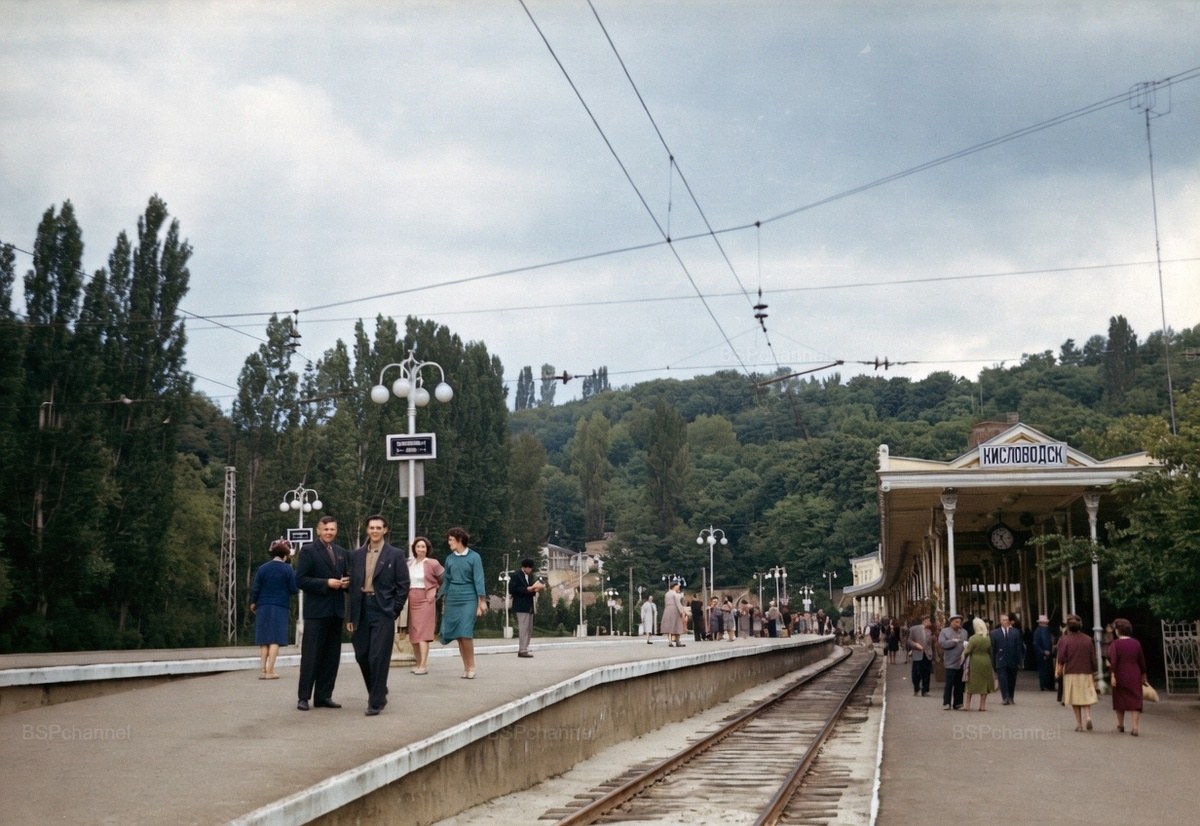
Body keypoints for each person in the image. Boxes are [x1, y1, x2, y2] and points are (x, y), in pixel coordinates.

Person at [347, 514, 409, 716]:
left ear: (385, 530)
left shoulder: (395, 554)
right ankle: (379, 690)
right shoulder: (356, 555)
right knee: (362, 654)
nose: (375, 531)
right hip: (361, 609)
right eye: (371, 527)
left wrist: (394, 609)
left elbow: (403, 585)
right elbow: (353, 587)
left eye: (378, 527)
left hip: (383, 610)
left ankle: (375, 701)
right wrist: (350, 616)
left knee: (378, 656)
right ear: (367, 530)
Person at [295, 516, 349, 710]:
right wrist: (326, 583)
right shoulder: (308, 551)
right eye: (326, 529)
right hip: (316, 612)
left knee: (331, 657)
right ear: (318, 530)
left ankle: (323, 696)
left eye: (332, 529)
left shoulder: (341, 552)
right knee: (311, 656)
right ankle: (303, 697)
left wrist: (346, 583)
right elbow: (300, 580)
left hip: (336, 612)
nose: (329, 532)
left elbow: (347, 576)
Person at [439, 526, 487, 678]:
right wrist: (439, 597)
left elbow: (479, 579)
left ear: (459, 540)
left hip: (469, 598)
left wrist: (482, 601)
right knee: (458, 635)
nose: (449, 542)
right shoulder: (450, 559)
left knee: (465, 632)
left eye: (451, 539)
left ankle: (472, 665)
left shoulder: (474, 557)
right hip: (453, 597)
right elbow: (446, 579)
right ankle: (466, 667)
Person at [250, 539, 298, 681]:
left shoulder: (263, 568)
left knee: (264, 639)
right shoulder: (288, 569)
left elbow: (256, 587)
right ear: (285, 555)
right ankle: (271, 671)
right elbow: (293, 589)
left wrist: (254, 602)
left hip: (263, 605)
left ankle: (263, 670)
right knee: (275, 638)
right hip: (280, 606)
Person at [407, 536, 444, 674]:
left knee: (423, 632)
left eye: (423, 547)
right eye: (418, 547)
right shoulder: (409, 564)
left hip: (426, 599)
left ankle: (423, 665)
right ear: (414, 548)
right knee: (414, 633)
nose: (420, 549)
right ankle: (418, 663)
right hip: (411, 598)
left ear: (427, 549)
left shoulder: (432, 563)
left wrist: (435, 591)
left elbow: (444, 578)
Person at [1056, 614, 1098, 732]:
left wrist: (1059, 670)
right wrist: (1094, 671)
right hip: (1086, 671)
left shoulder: (1065, 640)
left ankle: (1079, 725)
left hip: (1071, 671)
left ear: (1068, 627)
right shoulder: (1088, 639)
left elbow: (1062, 657)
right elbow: (1093, 658)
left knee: (1075, 699)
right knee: (1085, 696)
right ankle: (1088, 716)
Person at [1108, 618, 1147, 736]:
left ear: (1118, 630)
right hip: (1134, 672)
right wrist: (1143, 674)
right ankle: (1135, 727)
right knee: (1135, 699)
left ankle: (1121, 725)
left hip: (1120, 672)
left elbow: (1113, 661)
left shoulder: (1115, 644)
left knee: (1119, 699)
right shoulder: (1136, 643)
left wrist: (1113, 675)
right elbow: (1142, 660)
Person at [508, 558, 544, 658]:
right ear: (526, 567)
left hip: (529, 605)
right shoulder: (516, 575)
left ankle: (526, 647)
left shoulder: (528, 577)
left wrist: (536, 589)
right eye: (530, 568)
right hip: (521, 605)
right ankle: (522, 649)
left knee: (529, 628)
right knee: (523, 628)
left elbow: (531, 589)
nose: (531, 570)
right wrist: (527, 589)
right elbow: (512, 590)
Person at [990, 612, 1025, 705]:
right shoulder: (994, 633)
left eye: (1007, 620)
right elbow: (993, 649)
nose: (1005, 622)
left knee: (1012, 680)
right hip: (1000, 660)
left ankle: (1011, 697)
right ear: (1000, 621)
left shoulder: (1015, 632)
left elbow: (1019, 647)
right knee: (1002, 679)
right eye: (1003, 620)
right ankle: (1005, 697)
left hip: (1012, 659)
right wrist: (993, 662)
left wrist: (1020, 660)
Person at [963, 617, 994, 711]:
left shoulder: (973, 638)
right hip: (986, 660)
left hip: (975, 661)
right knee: (984, 683)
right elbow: (990, 651)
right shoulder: (987, 638)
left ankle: (967, 705)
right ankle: (982, 706)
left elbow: (967, 651)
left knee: (971, 682)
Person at [939, 613, 969, 710]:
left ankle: (958, 703)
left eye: (960, 622)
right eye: (956, 622)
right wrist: (953, 641)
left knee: (960, 684)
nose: (958, 624)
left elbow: (967, 644)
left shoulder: (964, 632)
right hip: (950, 662)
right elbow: (942, 643)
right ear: (951, 622)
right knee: (949, 684)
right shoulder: (944, 632)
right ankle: (947, 702)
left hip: (962, 662)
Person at [907, 617, 933, 696]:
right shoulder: (914, 629)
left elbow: (930, 644)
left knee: (926, 673)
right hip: (918, 654)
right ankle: (916, 687)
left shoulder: (929, 631)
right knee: (916, 673)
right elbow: (909, 641)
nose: (930, 623)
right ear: (924, 621)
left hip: (927, 654)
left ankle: (925, 690)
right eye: (929, 621)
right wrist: (915, 645)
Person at [661, 580, 688, 647]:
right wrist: (682, 612)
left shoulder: (667, 594)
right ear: (674, 587)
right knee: (677, 626)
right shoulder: (676, 594)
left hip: (667, 610)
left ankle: (670, 641)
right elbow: (678, 604)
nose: (678, 588)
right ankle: (678, 641)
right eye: (677, 587)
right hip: (675, 610)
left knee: (669, 626)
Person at [1033, 615, 1056, 691]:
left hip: (1048, 652)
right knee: (1043, 670)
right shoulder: (1038, 631)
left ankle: (1049, 685)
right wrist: (1043, 651)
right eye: (1045, 623)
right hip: (1042, 654)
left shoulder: (1047, 630)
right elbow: (1036, 644)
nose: (1046, 624)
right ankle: (1044, 685)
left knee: (1049, 670)